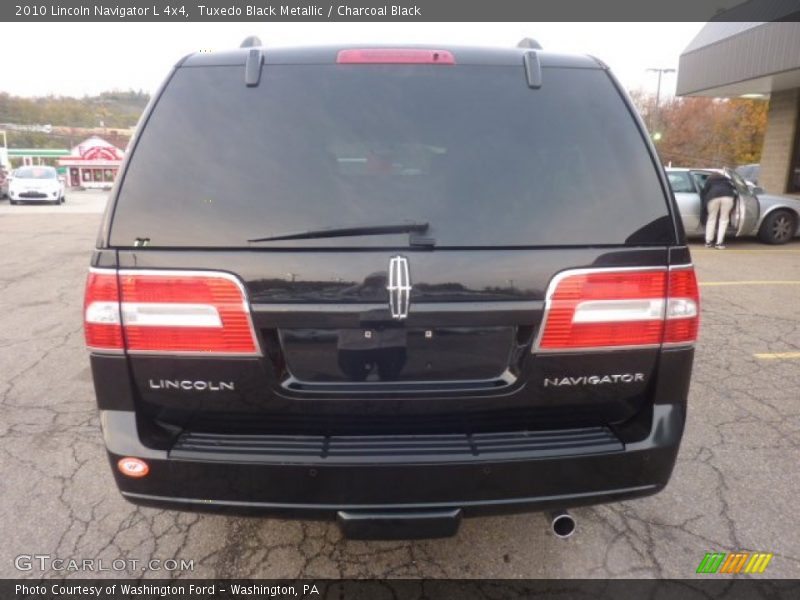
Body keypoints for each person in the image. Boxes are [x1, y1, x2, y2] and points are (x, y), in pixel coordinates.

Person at [700, 170, 737, 249]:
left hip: (713, 197)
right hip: (727, 196)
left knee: (711, 219)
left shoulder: (710, 180)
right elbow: (734, 189)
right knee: (724, 219)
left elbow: (704, 191)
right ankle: (719, 243)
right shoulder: (727, 180)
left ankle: (708, 242)